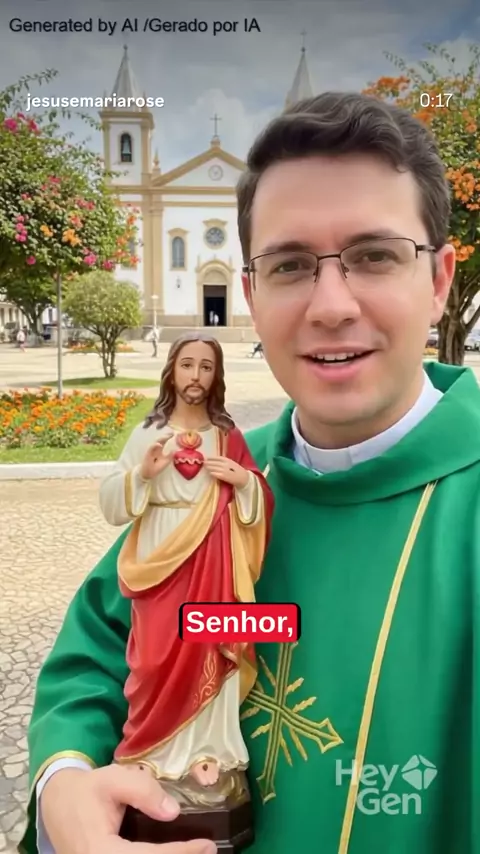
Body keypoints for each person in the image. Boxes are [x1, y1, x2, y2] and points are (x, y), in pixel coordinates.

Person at [21, 90, 480, 854]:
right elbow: (101, 645)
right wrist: (63, 786)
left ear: (439, 280)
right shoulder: (217, 472)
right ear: (250, 295)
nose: (330, 305)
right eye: (290, 265)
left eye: (373, 255)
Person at [98, 333, 273, 796]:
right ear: (172, 371)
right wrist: (144, 474)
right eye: (188, 365)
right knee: (155, 656)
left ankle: (208, 750)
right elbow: (111, 502)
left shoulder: (227, 436)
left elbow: (260, 496)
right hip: (160, 557)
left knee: (208, 647)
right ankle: (149, 749)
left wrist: (244, 482)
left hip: (215, 560)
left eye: (206, 367)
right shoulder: (148, 433)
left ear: (216, 376)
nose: (196, 376)